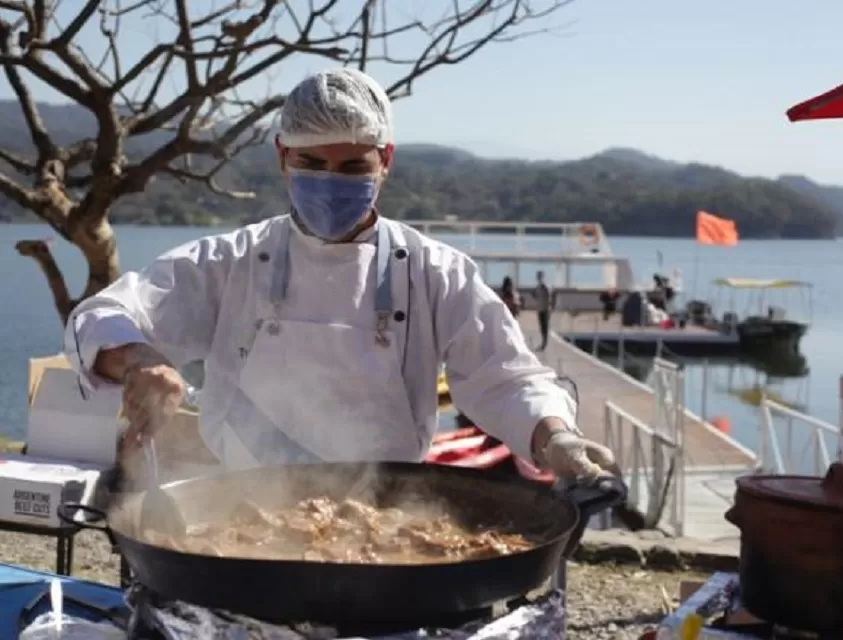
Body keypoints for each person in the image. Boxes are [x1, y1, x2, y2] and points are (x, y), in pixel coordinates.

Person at [63, 68, 622, 486]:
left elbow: (505, 377)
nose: (332, 181)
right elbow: (101, 317)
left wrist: (558, 439)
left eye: (354, 166)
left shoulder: (435, 272)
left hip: (390, 505)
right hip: (241, 501)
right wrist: (141, 360)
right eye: (312, 164)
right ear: (282, 157)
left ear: (386, 161)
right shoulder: (230, 260)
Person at [533, 270, 553, 351]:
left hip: (544, 309)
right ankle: (543, 343)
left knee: (545, 327)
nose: (538, 278)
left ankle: (544, 344)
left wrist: (548, 307)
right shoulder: (538, 287)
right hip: (540, 308)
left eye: (539, 276)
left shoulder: (544, 286)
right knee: (542, 326)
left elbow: (549, 296)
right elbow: (535, 295)